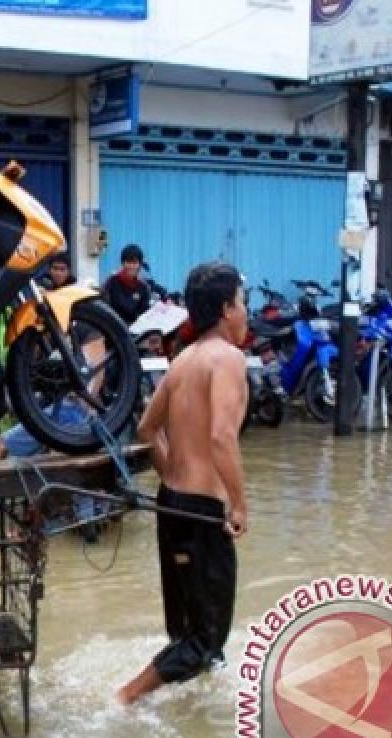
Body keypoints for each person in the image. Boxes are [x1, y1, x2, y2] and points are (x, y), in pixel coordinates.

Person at [116, 262, 248, 706]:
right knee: (205, 641)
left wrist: (172, 470)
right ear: (227, 309)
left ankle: (193, 717)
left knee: (188, 630)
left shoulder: (182, 361)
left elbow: (146, 429)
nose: (246, 313)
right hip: (201, 513)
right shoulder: (227, 358)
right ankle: (126, 698)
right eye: (242, 303)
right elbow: (221, 436)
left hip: (171, 505)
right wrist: (239, 504)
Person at [101, 244, 151, 326]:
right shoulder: (111, 282)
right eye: (128, 262)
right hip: (113, 329)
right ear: (123, 263)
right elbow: (104, 309)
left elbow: (144, 313)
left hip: (135, 330)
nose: (131, 266)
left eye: (134, 262)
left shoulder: (143, 287)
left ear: (140, 265)